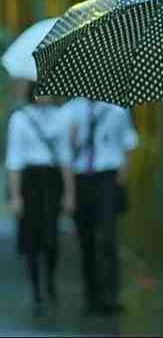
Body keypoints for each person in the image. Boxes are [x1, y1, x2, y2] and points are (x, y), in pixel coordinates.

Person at [59, 96, 139, 315]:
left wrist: (122, 177)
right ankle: (91, 296)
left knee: (108, 236)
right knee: (85, 239)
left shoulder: (117, 109)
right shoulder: (69, 112)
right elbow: (64, 155)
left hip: (107, 177)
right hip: (81, 178)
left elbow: (129, 142)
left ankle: (111, 295)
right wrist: (69, 193)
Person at [5, 82, 75, 317]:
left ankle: (50, 281)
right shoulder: (20, 119)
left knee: (52, 236)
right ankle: (37, 291)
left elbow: (66, 158)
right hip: (30, 181)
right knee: (31, 238)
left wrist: (69, 193)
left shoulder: (61, 117)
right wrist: (15, 195)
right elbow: (14, 159)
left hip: (52, 180)